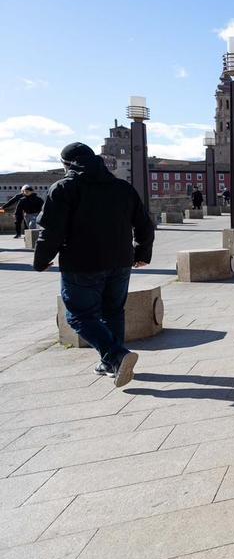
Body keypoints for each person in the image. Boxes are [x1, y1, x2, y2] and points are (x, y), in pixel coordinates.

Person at [34, 143, 154, 387]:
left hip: (82, 263)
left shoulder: (64, 188)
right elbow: (144, 224)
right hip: (121, 260)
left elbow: (51, 231)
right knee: (113, 311)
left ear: (66, 164)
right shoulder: (122, 187)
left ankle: (117, 355)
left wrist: (41, 260)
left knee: (78, 316)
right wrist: (143, 252)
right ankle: (110, 363)